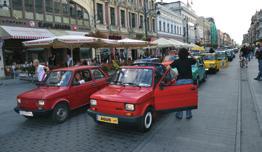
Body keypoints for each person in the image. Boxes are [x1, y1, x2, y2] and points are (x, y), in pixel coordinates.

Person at [169, 48, 197, 119]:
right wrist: (190, 54)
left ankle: (179, 115)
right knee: (188, 99)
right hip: (189, 81)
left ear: (179, 54)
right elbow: (195, 60)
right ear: (187, 54)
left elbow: (168, 67)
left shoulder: (177, 61)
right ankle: (188, 115)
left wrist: (175, 74)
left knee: (180, 99)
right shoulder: (189, 60)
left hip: (179, 82)